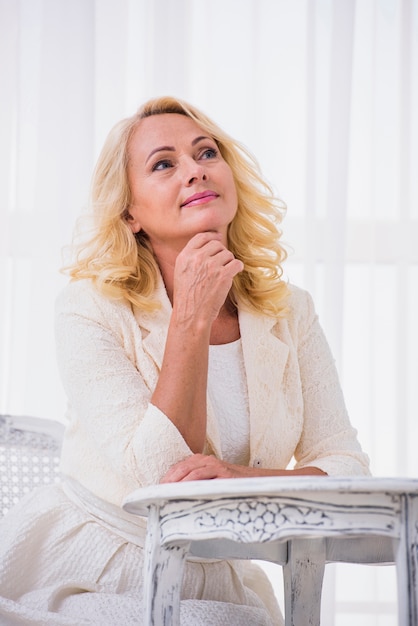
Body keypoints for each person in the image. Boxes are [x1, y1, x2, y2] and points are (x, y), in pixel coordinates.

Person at [0, 96, 370, 625]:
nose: (195, 170)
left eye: (206, 153)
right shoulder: (89, 308)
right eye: (164, 164)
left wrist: (236, 477)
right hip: (93, 570)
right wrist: (191, 318)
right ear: (130, 212)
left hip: (221, 575)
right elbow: (158, 483)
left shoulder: (290, 311)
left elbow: (347, 465)